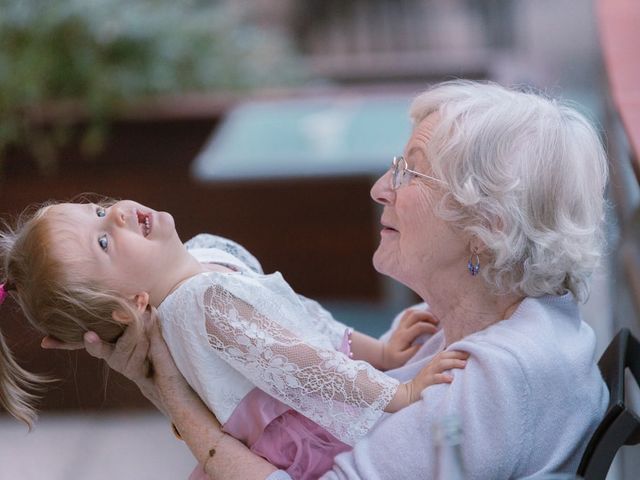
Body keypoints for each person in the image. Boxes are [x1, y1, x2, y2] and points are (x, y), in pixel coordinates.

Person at [48, 79, 611, 480]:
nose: (379, 189)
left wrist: (168, 391)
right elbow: (312, 359)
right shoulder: (466, 324)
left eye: (409, 171)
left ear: (484, 228)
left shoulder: (494, 380)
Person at [0, 200, 468, 480]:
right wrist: (398, 392)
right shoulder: (199, 304)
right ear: (131, 304)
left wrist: (380, 352)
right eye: (103, 241)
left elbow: (301, 320)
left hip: (328, 392)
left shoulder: (209, 255)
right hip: (313, 434)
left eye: (99, 211)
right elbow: (304, 365)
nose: (118, 215)